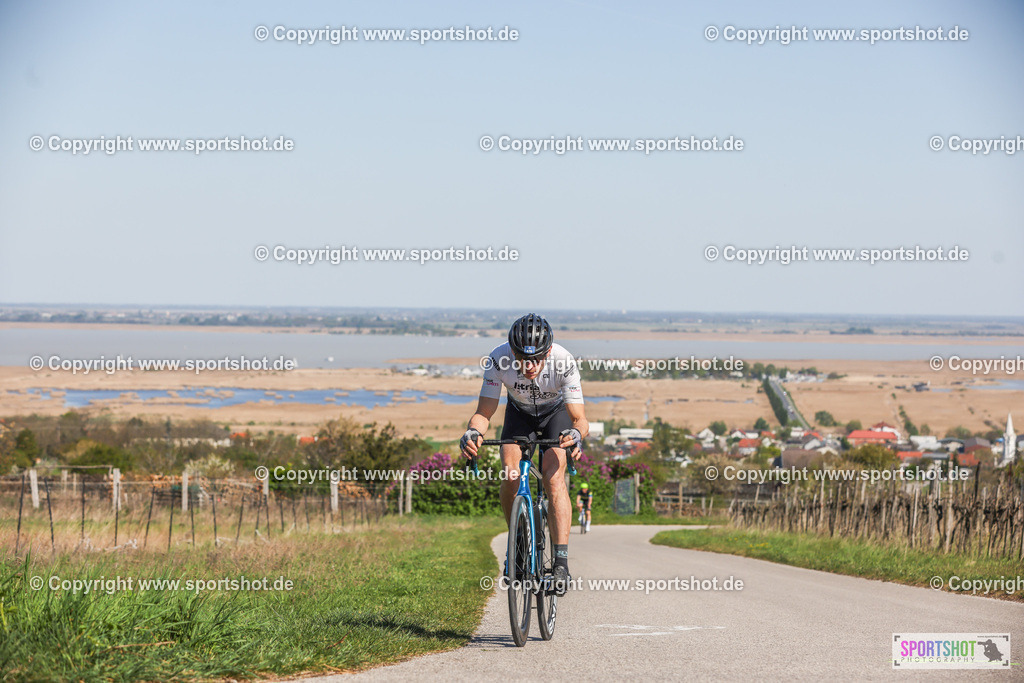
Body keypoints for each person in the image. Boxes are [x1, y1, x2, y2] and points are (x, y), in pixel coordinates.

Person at [460, 313, 589, 594]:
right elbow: (484, 412)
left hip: (555, 416)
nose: (529, 366)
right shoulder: (498, 358)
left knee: (554, 480)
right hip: (518, 415)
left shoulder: (563, 361)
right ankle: (517, 542)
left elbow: (579, 419)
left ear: (548, 352)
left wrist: (576, 436)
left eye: (536, 359)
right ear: (512, 352)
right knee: (510, 474)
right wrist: (473, 433)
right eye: (522, 359)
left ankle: (561, 562)